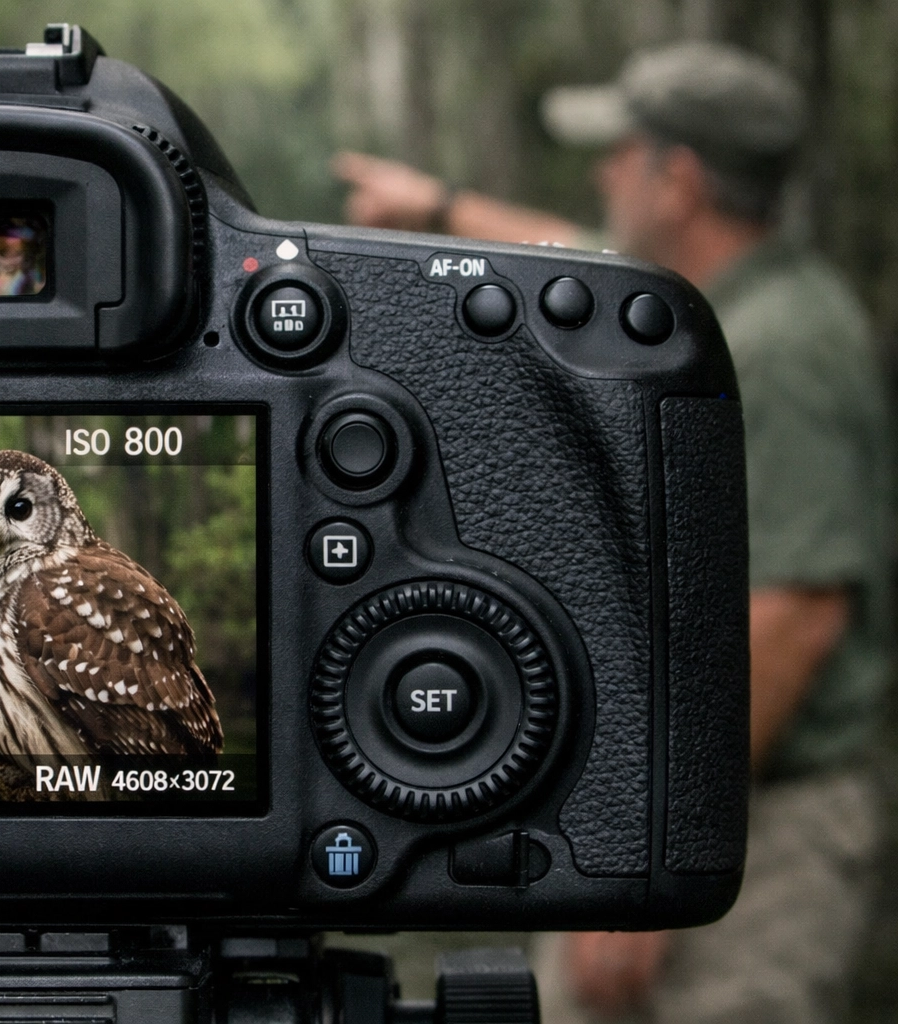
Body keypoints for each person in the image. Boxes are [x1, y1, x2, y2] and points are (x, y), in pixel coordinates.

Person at [337, 41, 891, 1024]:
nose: (603, 170)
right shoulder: (713, 299)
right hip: (666, 787)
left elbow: (797, 615)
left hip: (755, 821)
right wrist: (437, 210)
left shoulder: (790, 345)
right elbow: (565, 254)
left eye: (621, 151)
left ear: (676, 178)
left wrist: (657, 846)